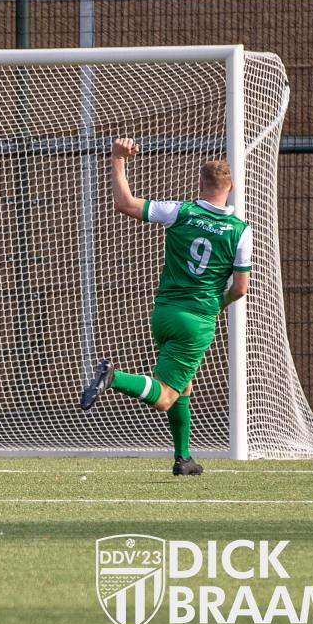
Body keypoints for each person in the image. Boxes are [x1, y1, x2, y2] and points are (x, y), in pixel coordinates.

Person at [80, 137, 252, 476]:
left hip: (163, 314)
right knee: (165, 397)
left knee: (182, 386)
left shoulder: (180, 211)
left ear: (200, 185)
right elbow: (240, 288)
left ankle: (183, 458)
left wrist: (118, 158)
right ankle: (114, 377)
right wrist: (218, 304)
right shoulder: (240, 231)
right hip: (196, 321)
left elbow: (125, 204)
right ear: (231, 187)